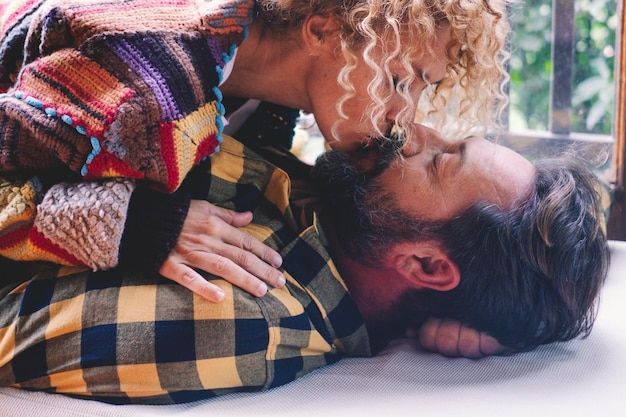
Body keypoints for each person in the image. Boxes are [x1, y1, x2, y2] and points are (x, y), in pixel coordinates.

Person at [0, 124, 610, 404]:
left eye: (439, 161)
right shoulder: (324, 207)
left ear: (424, 265)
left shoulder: (239, 320)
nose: (414, 131)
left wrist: (118, 223)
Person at [0, 0, 511, 302]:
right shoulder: (153, 79)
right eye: (401, 80)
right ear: (321, 29)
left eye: (425, 87)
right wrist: (136, 225)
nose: (407, 117)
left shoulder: (257, 93)